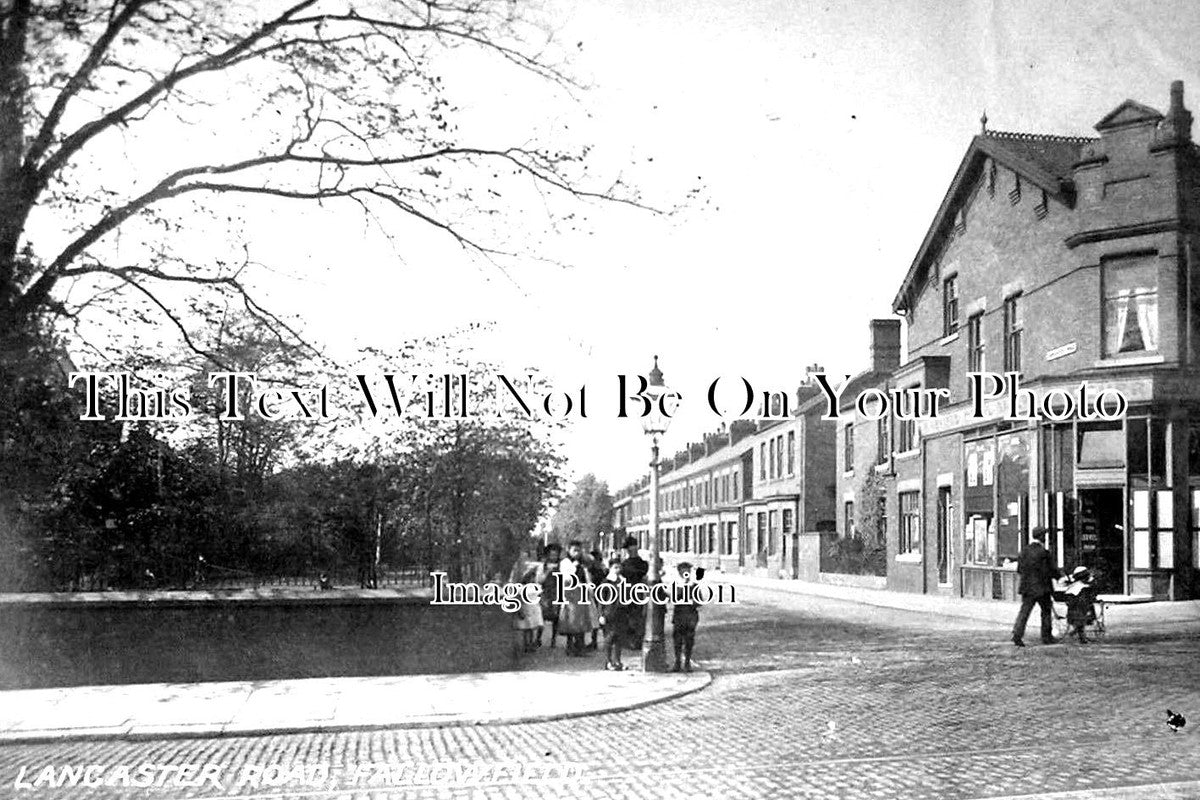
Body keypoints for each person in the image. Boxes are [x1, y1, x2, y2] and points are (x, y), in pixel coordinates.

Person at [1011, 527, 1061, 647]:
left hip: (1027, 588)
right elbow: (1051, 570)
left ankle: (1017, 634)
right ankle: (1046, 637)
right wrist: (1060, 577)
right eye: (1045, 535)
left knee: (1024, 611)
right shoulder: (1044, 552)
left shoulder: (1024, 551)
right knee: (1046, 611)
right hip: (1042, 588)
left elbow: (1019, 569)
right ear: (1042, 537)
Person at [557, 540, 594, 656]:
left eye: (579, 550)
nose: (577, 553)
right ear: (569, 550)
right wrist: (574, 567)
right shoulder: (565, 562)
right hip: (571, 593)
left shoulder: (583, 562)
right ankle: (570, 646)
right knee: (571, 620)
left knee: (582, 620)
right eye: (574, 550)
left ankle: (580, 646)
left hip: (581, 592)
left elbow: (587, 575)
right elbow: (565, 578)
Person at [669, 562, 704, 672]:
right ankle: (677, 662)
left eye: (687, 571)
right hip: (679, 615)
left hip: (691, 616)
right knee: (677, 639)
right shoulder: (676, 585)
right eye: (683, 571)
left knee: (689, 640)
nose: (685, 573)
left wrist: (692, 601)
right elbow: (672, 599)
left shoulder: (694, 585)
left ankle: (687, 662)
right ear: (679, 572)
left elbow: (699, 601)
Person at [597, 557, 627, 670]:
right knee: (609, 638)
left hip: (621, 612)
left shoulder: (622, 581)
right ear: (610, 568)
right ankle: (608, 661)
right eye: (615, 567)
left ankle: (617, 661)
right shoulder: (606, 582)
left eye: (619, 567)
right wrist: (601, 615)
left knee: (619, 638)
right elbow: (601, 600)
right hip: (609, 613)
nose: (618, 570)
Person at [535, 543, 562, 649]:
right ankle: (538, 638)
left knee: (556, 617)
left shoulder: (561, 565)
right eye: (551, 555)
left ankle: (553, 640)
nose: (553, 557)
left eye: (556, 555)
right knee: (541, 616)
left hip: (557, 593)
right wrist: (547, 572)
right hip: (546, 593)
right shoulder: (543, 566)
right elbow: (539, 580)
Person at [1063, 565, 1098, 644]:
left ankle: (1078, 632)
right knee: (1080, 618)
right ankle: (1081, 637)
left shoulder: (1079, 586)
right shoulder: (1080, 586)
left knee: (1080, 618)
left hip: (1078, 605)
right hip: (1079, 606)